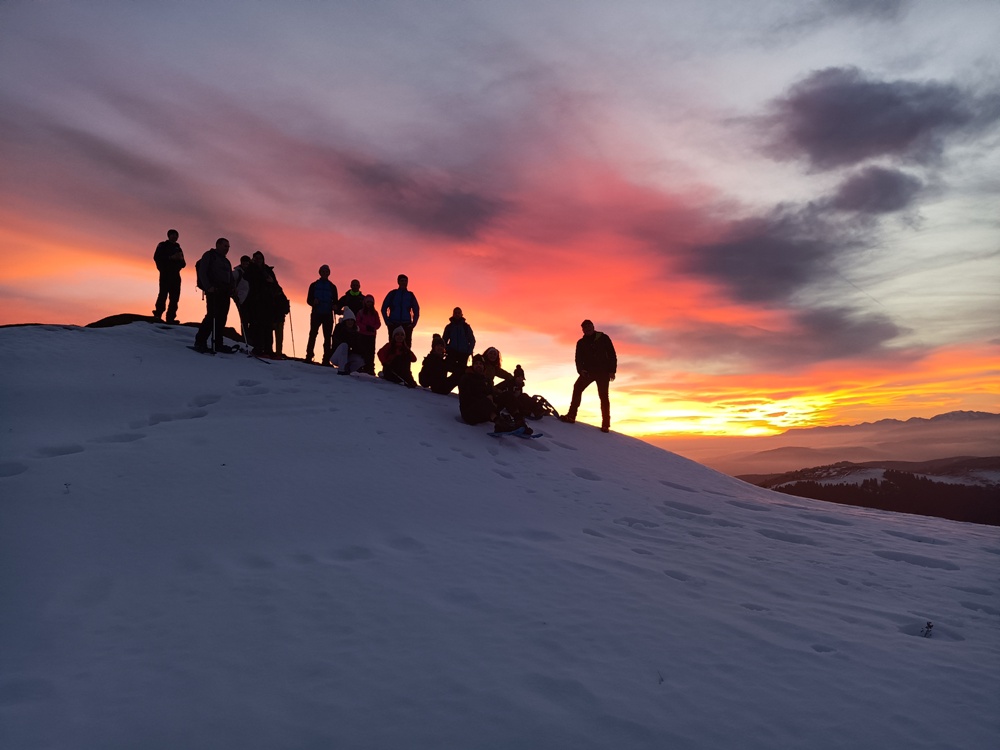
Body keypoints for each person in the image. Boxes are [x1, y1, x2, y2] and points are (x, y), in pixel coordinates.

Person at [560, 319, 617, 433]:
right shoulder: (581, 343)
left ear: (593, 326)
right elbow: (578, 359)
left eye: (589, 327)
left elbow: (612, 354)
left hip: (603, 372)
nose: (587, 329)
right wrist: (581, 370)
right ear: (583, 330)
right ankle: (571, 416)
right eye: (585, 328)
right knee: (577, 388)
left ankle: (605, 424)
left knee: (604, 397)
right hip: (588, 372)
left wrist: (612, 370)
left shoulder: (603, 338)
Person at [193, 238, 235, 353]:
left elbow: (230, 277)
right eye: (225, 246)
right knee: (212, 316)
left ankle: (217, 343)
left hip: (225, 293)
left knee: (222, 318)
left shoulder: (227, 262)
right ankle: (200, 341)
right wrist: (208, 287)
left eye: (228, 247)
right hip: (213, 291)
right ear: (218, 245)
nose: (227, 249)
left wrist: (232, 289)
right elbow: (202, 272)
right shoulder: (209, 255)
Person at [306, 265, 338, 364]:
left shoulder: (332, 287)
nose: (325, 273)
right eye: (323, 271)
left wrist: (335, 306)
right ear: (320, 272)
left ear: (329, 273)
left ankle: (326, 359)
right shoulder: (314, 285)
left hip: (327, 314)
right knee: (313, 334)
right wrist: (313, 302)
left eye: (326, 271)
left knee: (327, 337)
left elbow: (336, 301)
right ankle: (309, 356)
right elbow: (308, 300)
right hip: (317, 313)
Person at [152, 229, 185, 323]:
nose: (175, 237)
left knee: (175, 297)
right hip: (165, 274)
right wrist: (170, 258)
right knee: (163, 294)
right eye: (173, 235)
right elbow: (157, 257)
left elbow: (183, 263)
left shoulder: (178, 248)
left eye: (176, 235)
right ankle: (158, 314)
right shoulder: (163, 245)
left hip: (176, 275)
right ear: (169, 236)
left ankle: (171, 317)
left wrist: (180, 260)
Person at [381, 274, 419, 348]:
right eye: (402, 281)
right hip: (393, 323)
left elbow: (416, 310)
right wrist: (387, 322)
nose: (404, 283)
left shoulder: (410, 295)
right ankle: (392, 359)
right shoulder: (392, 294)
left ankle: (406, 359)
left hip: (406, 324)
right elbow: (383, 308)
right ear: (398, 282)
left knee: (407, 346)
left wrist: (413, 324)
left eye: (405, 281)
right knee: (392, 346)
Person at [458, 355, 496, 425]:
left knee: (505, 396)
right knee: (487, 402)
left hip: (483, 411)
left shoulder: (486, 380)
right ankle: (498, 421)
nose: (478, 366)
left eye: (480, 364)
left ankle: (517, 420)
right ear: (473, 366)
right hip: (469, 413)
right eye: (476, 364)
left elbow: (491, 394)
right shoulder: (466, 378)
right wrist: (485, 399)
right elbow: (466, 397)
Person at [330, 308, 365, 375]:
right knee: (344, 345)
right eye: (348, 320)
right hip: (336, 356)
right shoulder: (339, 328)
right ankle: (341, 370)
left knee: (360, 360)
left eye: (351, 320)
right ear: (345, 321)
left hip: (348, 355)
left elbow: (358, 347)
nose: (350, 322)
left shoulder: (356, 333)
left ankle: (348, 370)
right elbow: (336, 342)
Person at [442, 307, 476, 374]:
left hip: (463, 354)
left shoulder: (466, 327)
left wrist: (468, 351)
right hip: (452, 353)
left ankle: (461, 383)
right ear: (453, 314)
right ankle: (444, 383)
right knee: (446, 367)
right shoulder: (449, 327)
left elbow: (472, 340)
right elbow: (444, 340)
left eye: (459, 313)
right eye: (455, 313)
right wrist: (448, 349)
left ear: (461, 314)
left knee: (461, 372)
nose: (457, 314)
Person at [355, 294, 381, 375]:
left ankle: (370, 368)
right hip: (362, 334)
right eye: (368, 302)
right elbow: (357, 322)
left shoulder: (375, 313)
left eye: (371, 302)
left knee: (371, 352)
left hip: (371, 335)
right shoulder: (361, 312)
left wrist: (373, 328)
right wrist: (365, 328)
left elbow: (378, 323)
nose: (369, 304)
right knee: (361, 350)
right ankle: (360, 366)